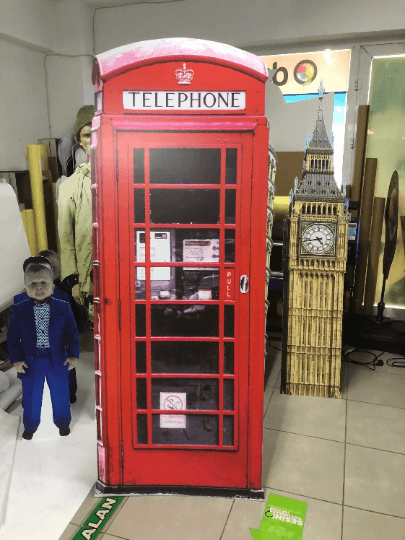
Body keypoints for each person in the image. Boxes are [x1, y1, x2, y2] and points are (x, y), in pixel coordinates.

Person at [7, 259, 79, 439]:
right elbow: (13, 337)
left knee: (60, 393)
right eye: (33, 284)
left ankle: (63, 423)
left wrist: (73, 355)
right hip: (31, 361)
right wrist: (16, 359)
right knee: (31, 395)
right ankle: (30, 426)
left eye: (43, 283)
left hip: (58, 359)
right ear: (25, 288)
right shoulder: (20, 308)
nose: (38, 287)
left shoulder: (62, 307)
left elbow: (72, 333)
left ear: (52, 286)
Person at [58, 105, 95, 327]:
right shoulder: (70, 186)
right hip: (88, 275)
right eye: (87, 135)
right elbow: (65, 237)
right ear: (80, 141)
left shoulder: (128, 176)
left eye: (97, 132)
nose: (93, 139)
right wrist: (72, 280)